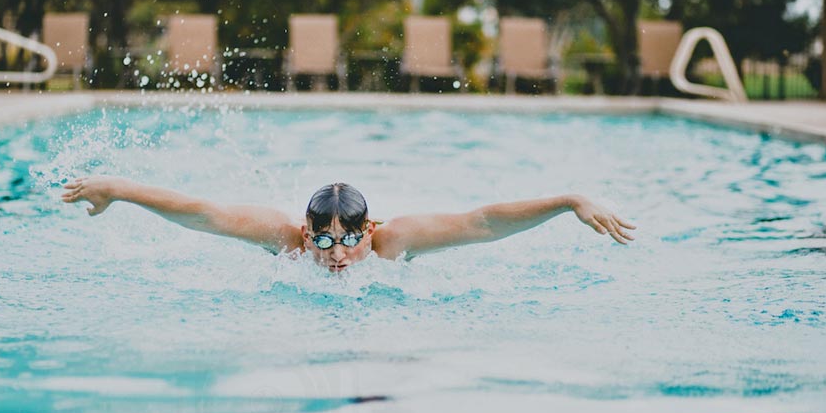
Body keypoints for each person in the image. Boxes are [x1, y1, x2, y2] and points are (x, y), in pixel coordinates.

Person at [61, 176, 635, 272]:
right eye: (327, 242)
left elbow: (480, 223)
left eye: (352, 240)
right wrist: (120, 190)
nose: (339, 256)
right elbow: (204, 214)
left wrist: (568, 200)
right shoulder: (281, 239)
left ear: (371, 229)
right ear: (307, 234)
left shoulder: (392, 243)